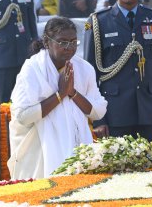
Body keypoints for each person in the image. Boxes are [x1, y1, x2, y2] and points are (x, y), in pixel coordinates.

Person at [83, 0, 152, 143]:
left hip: (148, 112)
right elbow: (89, 75)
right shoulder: (98, 22)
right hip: (115, 112)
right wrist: (99, 118)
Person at [7, 17, 107, 179]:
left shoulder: (84, 68)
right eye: (62, 42)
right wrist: (60, 95)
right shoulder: (32, 69)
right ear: (47, 42)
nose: (69, 47)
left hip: (78, 145)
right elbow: (23, 116)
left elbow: (98, 112)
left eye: (74, 42)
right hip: (40, 150)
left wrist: (72, 93)